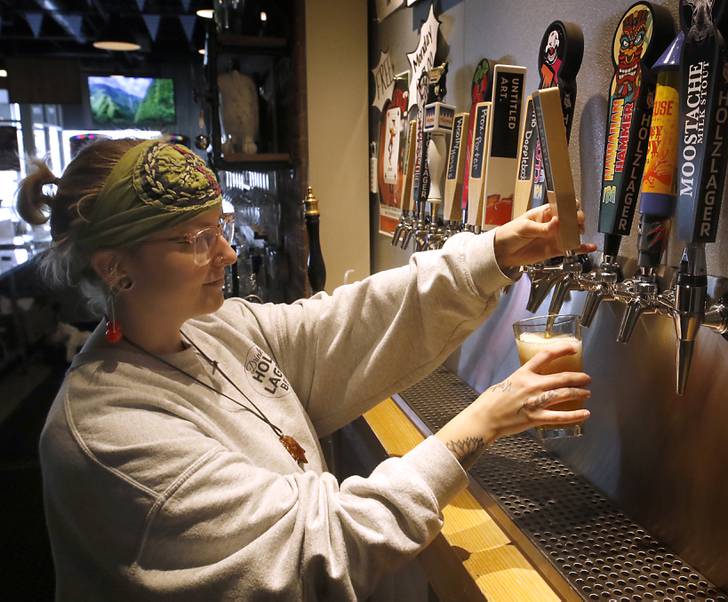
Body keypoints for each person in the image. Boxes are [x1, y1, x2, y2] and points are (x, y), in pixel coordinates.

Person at [17, 138, 596, 601]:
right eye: (196, 239)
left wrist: (492, 253)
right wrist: (478, 424)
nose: (227, 252)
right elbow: (316, 551)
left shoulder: (216, 328)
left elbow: (344, 325)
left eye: (221, 225)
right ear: (114, 266)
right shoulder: (106, 433)